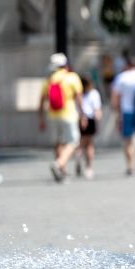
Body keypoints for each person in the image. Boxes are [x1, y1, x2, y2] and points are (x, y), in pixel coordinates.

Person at [38, 52, 84, 183]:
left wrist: (41, 119)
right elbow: (79, 99)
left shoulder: (49, 80)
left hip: (52, 115)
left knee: (57, 143)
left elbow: (41, 101)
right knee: (73, 142)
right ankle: (59, 164)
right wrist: (83, 115)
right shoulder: (72, 77)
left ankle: (63, 172)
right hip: (68, 114)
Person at [75, 74, 101, 180]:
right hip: (89, 119)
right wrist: (98, 122)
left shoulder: (77, 94)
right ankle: (88, 168)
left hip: (78, 118)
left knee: (80, 143)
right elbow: (97, 110)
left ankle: (78, 158)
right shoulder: (94, 93)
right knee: (89, 145)